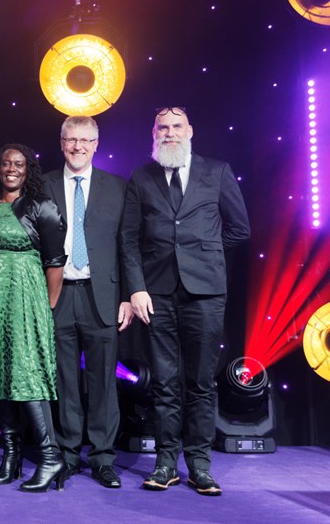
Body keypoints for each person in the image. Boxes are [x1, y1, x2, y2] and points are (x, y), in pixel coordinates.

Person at [121, 106, 249, 496]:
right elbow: (128, 239)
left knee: (201, 381)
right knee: (164, 382)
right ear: (154, 132)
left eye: (177, 126)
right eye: (163, 127)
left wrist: (203, 256)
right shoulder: (141, 177)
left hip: (206, 293)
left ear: (190, 130)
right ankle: (165, 463)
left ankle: (200, 465)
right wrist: (137, 288)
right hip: (156, 294)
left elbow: (240, 230)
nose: (170, 132)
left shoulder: (218, 171)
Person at [43, 116, 132, 488]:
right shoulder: (42, 186)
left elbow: (129, 246)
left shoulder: (118, 188)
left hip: (103, 295)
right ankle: (66, 454)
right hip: (58, 295)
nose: (78, 146)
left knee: (103, 381)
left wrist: (128, 295)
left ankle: (102, 457)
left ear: (97, 144)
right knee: (63, 379)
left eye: (85, 140)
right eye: (71, 139)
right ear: (61, 142)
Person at [0, 143, 67, 493]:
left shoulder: (42, 207)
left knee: (28, 374)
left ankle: (49, 456)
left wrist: (47, 309)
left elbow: (55, 262)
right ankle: (10, 455)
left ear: (29, 169)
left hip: (27, 297)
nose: (11, 169)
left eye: (19, 164)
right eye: (5, 164)